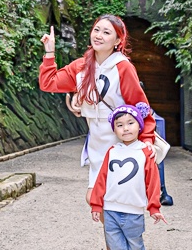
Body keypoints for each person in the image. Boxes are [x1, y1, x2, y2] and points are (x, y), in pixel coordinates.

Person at [39, 15, 155, 204]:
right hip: (96, 140)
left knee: (115, 200)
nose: (99, 35)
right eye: (97, 30)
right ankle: (115, 234)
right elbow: (49, 83)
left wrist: (147, 139)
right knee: (96, 200)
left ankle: (122, 234)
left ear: (118, 41)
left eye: (106, 32)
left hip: (120, 139)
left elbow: (139, 106)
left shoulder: (123, 67)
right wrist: (50, 53)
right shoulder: (81, 66)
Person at [90, 103, 166, 250]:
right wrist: (96, 205)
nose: (125, 128)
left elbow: (152, 181)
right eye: (120, 124)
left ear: (139, 126)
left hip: (133, 212)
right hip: (111, 211)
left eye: (131, 123)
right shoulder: (112, 151)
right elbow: (102, 179)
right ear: (114, 129)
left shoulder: (145, 152)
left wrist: (154, 207)